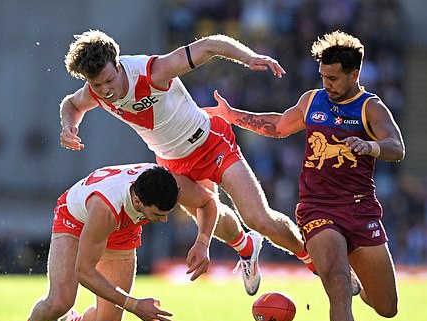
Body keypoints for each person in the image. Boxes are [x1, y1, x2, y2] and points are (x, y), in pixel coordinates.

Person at [207, 30, 405, 321]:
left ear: (354, 74)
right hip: (317, 209)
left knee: (387, 307)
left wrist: (371, 146)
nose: (326, 84)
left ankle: (357, 284)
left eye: (333, 78)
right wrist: (233, 115)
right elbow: (280, 125)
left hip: (361, 210)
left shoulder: (370, 108)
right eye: (323, 77)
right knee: (334, 280)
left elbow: (397, 147)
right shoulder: (312, 100)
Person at [59, 29, 320, 296]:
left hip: (209, 142)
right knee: (210, 218)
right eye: (97, 85)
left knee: (258, 219)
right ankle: (248, 248)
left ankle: (316, 264)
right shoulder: (95, 90)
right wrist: (69, 127)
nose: (105, 91)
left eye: (108, 81)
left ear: (117, 63)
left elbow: (209, 45)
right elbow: (72, 105)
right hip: (172, 163)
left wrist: (249, 57)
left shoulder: (153, 72)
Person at [0, 163, 217, 321]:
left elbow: (208, 202)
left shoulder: (169, 183)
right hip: (76, 219)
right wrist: (134, 305)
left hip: (123, 227)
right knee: (61, 301)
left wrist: (202, 242)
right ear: (138, 201)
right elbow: (84, 272)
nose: (164, 219)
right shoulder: (106, 209)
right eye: (158, 214)